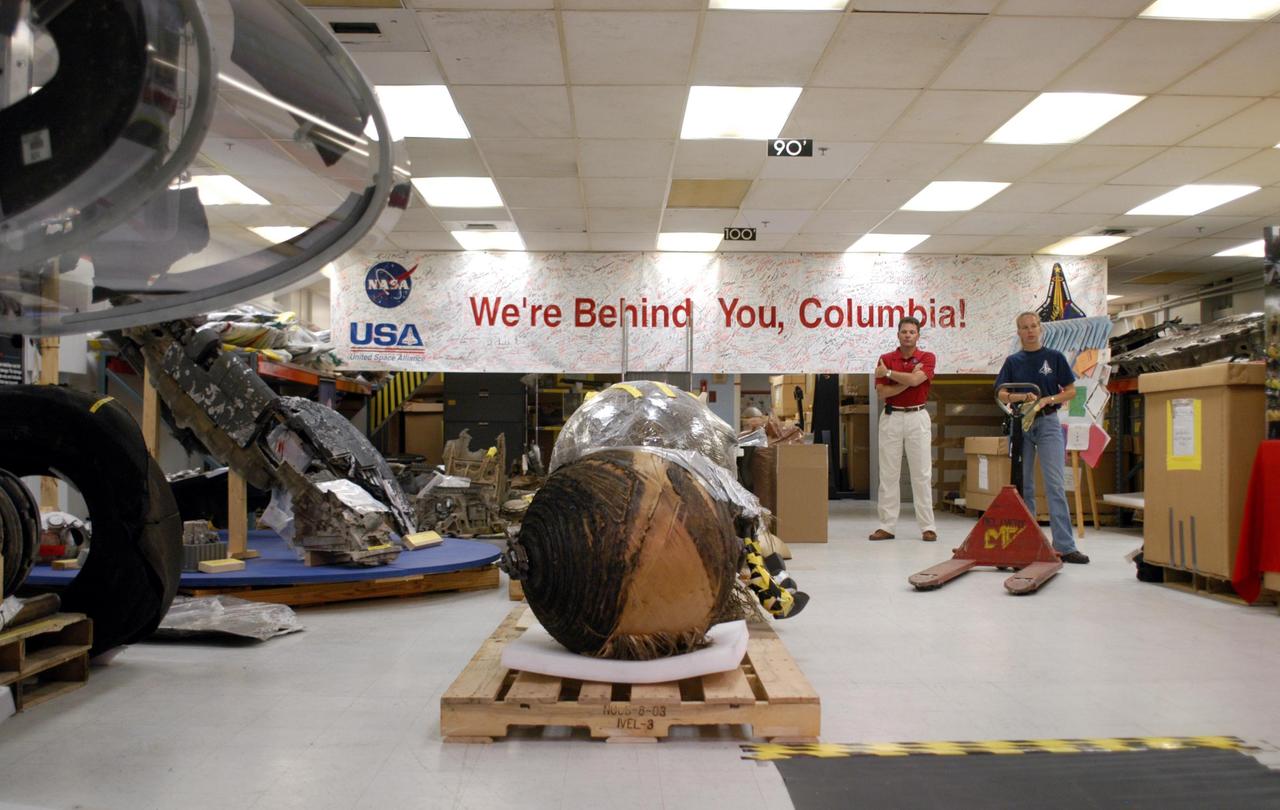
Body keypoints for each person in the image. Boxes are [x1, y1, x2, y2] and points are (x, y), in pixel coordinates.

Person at [995, 311, 1089, 564]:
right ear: (1019, 332)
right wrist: (1019, 398)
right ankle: (1028, 542)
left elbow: (1070, 392)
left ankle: (1066, 546)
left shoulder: (1055, 358)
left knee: (1055, 484)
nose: (1030, 331)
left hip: (1048, 422)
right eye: (1025, 327)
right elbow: (1002, 393)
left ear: (1041, 329)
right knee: (1024, 486)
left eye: (1034, 326)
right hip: (1022, 424)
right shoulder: (1013, 361)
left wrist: (1049, 399)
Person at [870, 317, 937, 542]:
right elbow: (882, 394)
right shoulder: (886, 358)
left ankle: (928, 526)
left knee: (922, 473)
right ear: (897, 334)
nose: (908, 335)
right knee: (888, 473)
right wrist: (910, 379)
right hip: (892, 416)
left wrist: (888, 374)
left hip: (917, 416)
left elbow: (918, 381)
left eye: (912, 332)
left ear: (918, 335)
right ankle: (887, 526)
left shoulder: (927, 357)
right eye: (904, 331)